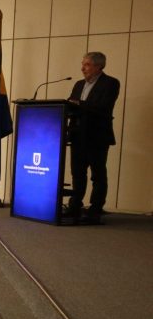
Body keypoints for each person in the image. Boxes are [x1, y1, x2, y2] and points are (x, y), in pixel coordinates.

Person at [66, 51, 121, 224]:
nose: (83, 68)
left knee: (97, 174)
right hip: (77, 135)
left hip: (97, 136)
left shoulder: (110, 83)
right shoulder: (78, 84)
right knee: (77, 173)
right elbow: (71, 105)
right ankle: (75, 205)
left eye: (87, 65)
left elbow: (103, 108)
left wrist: (78, 104)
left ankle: (95, 209)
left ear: (99, 66)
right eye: (83, 64)